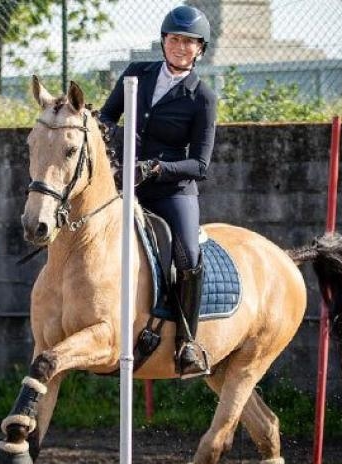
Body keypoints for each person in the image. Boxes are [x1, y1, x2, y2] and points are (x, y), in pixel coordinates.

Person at [99, 5, 217, 377]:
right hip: (123, 182)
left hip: (171, 191)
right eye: (175, 39)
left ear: (200, 49)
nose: (181, 47)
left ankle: (187, 343)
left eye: (190, 42)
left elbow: (200, 165)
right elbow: (106, 118)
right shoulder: (137, 74)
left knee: (187, 255)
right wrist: (109, 144)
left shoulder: (203, 98)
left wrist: (155, 167)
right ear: (164, 41)